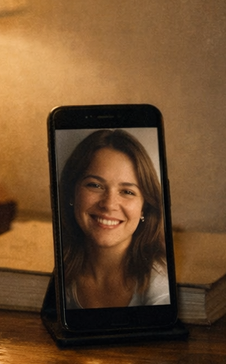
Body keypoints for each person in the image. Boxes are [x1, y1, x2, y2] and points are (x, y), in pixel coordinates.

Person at [59, 129, 170, 308]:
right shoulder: (56, 271)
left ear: (145, 208)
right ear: (72, 193)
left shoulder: (162, 283)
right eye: (95, 185)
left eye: (127, 192)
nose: (109, 204)